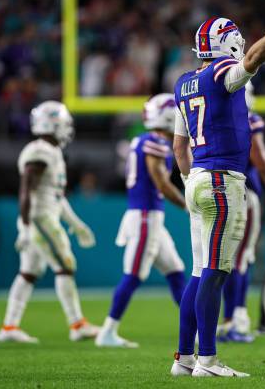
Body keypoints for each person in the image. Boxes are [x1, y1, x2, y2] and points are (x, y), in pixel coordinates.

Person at [170, 0, 265, 378]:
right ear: (226, 44)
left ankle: (184, 359)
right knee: (215, 271)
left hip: (197, 178)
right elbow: (252, 62)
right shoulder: (221, 74)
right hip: (221, 181)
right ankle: (207, 361)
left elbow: (180, 146)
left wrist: (189, 181)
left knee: (200, 272)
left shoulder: (183, 83)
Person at [0, 101, 99, 343]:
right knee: (65, 264)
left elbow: (56, 196)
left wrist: (76, 223)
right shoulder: (40, 151)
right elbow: (26, 192)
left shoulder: (52, 152)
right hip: (40, 218)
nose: (67, 129)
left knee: (29, 271)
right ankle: (77, 324)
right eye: (63, 124)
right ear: (53, 124)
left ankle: (9, 328)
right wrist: (24, 227)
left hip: (45, 215)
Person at [95, 94, 187, 348]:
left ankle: (195, 329)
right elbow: (161, 182)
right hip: (145, 217)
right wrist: (187, 205)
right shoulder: (155, 141)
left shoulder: (143, 139)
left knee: (176, 271)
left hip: (150, 217)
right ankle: (108, 332)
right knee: (133, 275)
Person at [219, 81, 265, 343]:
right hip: (244, 193)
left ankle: (231, 319)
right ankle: (235, 320)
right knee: (239, 260)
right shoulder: (250, 120)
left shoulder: (214, 114)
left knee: (221, 260)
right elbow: (261, 162)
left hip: (215, 190)